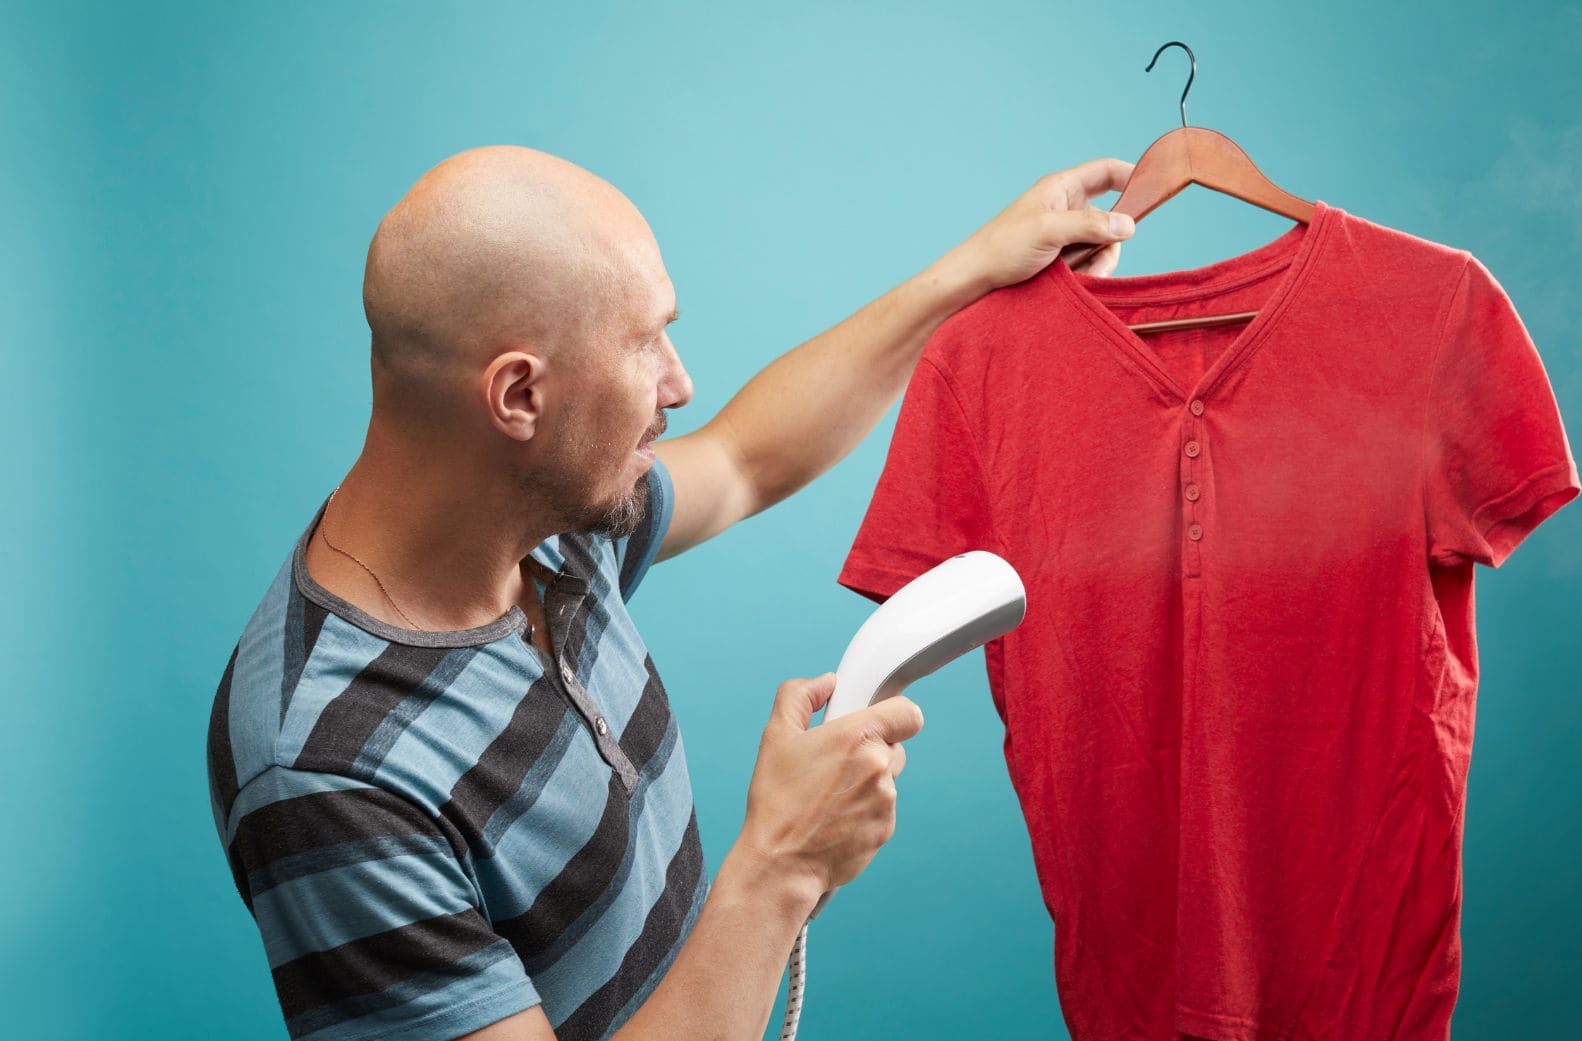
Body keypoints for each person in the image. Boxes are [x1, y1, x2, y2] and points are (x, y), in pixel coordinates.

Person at [206, 144, 1134, 1041]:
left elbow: (746, 456)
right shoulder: (323, 770)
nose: (680, 383)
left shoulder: (550, 519)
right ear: (519, 396)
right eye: (646, 342)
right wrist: (781, 868)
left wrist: (975, 268)